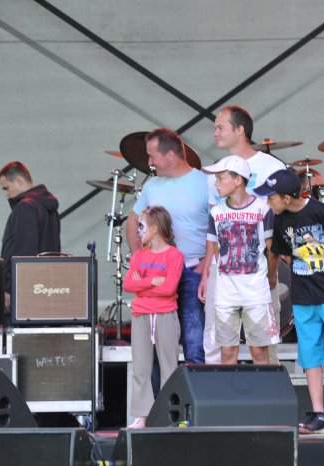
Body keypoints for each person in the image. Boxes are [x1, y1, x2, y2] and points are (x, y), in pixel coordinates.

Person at [256, 169, 324, 434]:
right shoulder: (279, 219)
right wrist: (274, 276)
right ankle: (318, 414)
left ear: (286, 197)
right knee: (310, 354)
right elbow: (279, 252)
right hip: (304, 297)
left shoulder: (319, 211)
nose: (268, 202)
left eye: (271, 197)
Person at [208, 105, 286, 363]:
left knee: (264, 350)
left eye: (220, 127)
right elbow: (214, 235)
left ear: (240, 130)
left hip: (260, 279)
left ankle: (268, 389)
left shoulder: (271, 166)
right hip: (227, 281)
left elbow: (283, 214)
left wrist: (272, 271)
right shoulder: (217, 172)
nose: (215, 132)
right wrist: (209, 269)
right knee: (223, 347)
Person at [126, 128, 210, 364]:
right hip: (157, 272)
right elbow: (132, 220)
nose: (149, 162)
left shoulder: (205, 183)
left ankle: (196, 385)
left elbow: (218, 226)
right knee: (155, 343)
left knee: (194, 341)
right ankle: (158, 389)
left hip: (192, 269)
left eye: (152, 156)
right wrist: (138, 259)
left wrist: (207, 263)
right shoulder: (152, 185)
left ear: (171, 155)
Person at [198, 155, 279, 364]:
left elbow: (271, 249)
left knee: (259, 351)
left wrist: (271, 276)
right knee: (227, 352)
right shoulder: (216, 212)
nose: (216, 183)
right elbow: (215, 247)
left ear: (238, 180)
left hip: (256, 292)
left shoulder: (262, 209)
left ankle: (264, 387)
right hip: (226, 294)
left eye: (220, 178)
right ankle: (228, 387)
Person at [123, 206, 183, 429]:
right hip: (141, 315)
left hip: (165, 314)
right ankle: (142, 415)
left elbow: (169, 288)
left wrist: (142, 284)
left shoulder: (174, 255)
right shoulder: (139, 255)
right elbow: (128, 284)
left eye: (142, 226)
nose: (138, 231)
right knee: (141, 367)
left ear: (155, 228)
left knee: (169, 366)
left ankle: (169, 413)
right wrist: (151, 281)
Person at [0, 161, 61, 311]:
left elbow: (23, 253)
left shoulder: (26, 207)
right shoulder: (49, 208)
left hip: (22, 293)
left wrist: (9, 290)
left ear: (19, 181)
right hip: (45, 287)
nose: (6, 194)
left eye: (6, 188)